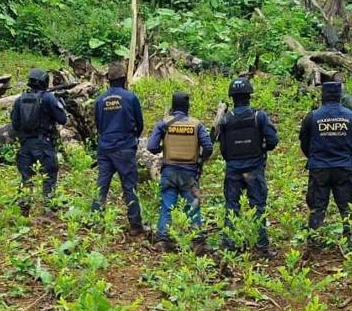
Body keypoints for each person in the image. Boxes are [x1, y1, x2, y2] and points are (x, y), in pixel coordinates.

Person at [216, 77, 278, 255]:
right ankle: (261, 246)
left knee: (231, 206)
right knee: (258, 206)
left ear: (232, 98)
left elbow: (224, 149)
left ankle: (229, 244)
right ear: (249, 96)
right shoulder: (259, 116)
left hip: (233, 169)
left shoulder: (226, 120)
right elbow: (273, 140)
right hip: (254, 168)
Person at [299, 81, 352, 249]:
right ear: (339, 95)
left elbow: (305, 144)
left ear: (323, 96)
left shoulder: (312, 116)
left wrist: (316, 157)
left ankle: (313, 243)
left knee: (317, 206)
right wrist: (348, 154)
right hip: (343, 167)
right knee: (347, 206)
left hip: (319, 168)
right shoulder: (349, 115)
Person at [146, 92, 213, 251]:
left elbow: (151, 147)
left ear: (173, 106)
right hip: (189, 172)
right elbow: (208, 147)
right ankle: (196, 242)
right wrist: (200, 159)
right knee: (193, 205)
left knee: (167, 205)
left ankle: (162, 240)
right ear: (187, 107)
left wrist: (165, 148)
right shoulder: (196, 124)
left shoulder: (164, 123)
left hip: (169, 171)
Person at [91, 62, 146, 236]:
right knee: (130, 187)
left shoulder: (100, 100)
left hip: (105, 147)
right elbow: (140, 124)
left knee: (102, 185)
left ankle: (96, 221)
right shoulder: (130, 98)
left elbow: (98, 125)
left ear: (108, 80)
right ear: (123, 79)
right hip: (124, 148)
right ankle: (136, 226)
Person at [11, 68, 68, 212]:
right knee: (49, 175)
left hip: (25, 145)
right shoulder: (48, 98)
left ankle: (24, 210)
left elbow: (15, 124)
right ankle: (48, 209)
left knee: (26, 178)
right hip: (44, 143)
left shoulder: (20, 99)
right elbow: (63, 119)